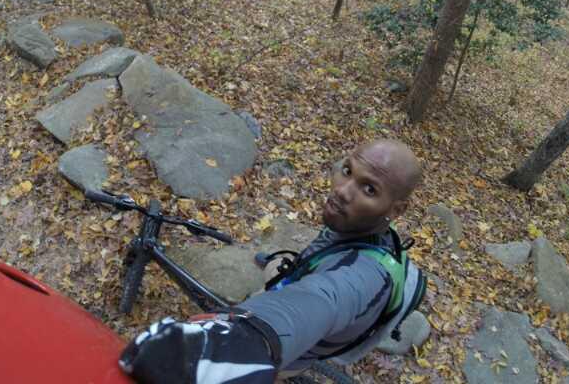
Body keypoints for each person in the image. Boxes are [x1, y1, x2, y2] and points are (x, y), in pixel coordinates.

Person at [119, 139, 423, 384]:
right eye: (347, 171)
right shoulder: (362, 225)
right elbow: (326, 244)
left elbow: (324, 299)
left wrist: (239, 344)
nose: (342, 191)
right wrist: (290, 270)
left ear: (397, 210)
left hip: (296, 350)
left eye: (369, 189)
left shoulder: (363, 277)